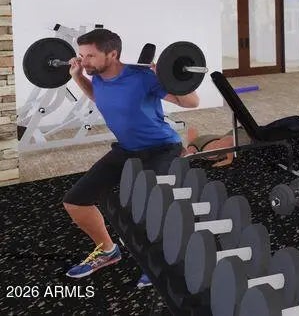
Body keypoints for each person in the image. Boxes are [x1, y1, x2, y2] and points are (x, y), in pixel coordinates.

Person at [62, 29, 200, 286]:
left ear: (112, 54)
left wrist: (168, 77)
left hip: (162, 148)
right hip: (126, 149)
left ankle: (160, 259)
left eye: (90, 55)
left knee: (151, 205)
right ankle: (108, 251)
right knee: (75, 202)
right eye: (81, 55)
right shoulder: (96, 74)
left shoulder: (143, 77)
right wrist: (78, 76)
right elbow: (99, 96)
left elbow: (192, 102)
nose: (83, 60)